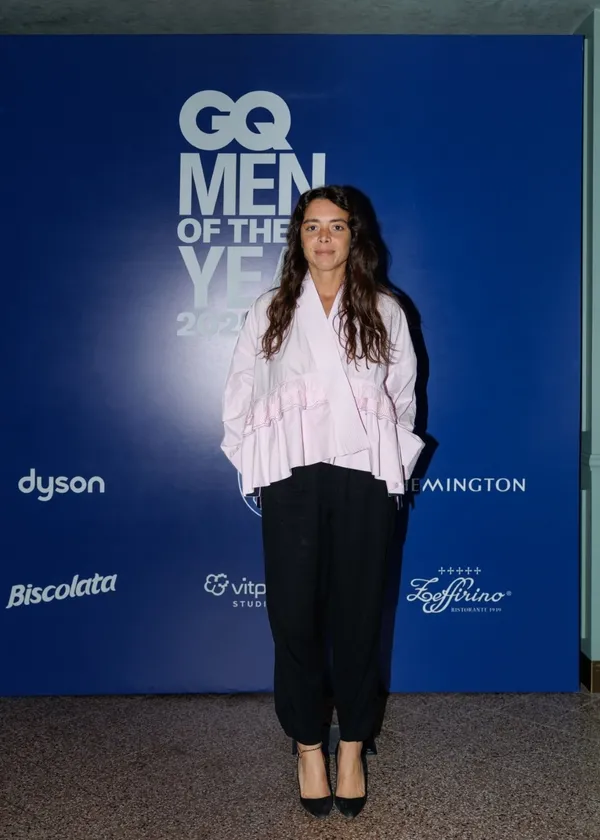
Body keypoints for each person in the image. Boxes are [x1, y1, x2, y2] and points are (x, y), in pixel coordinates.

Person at [221, 184, 424, 819]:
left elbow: (402, 396)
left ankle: (353, 744)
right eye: (313, 226)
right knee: (293, 616)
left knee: (360, 615)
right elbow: (241, 391)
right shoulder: (271, 309)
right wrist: (255, 459)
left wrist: (386, 459)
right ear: (299, 238)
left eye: (337, 226)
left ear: (355, 236)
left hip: (362, 477)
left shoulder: (385, 309)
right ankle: (309, 743)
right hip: (293, 476)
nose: (325, 237)